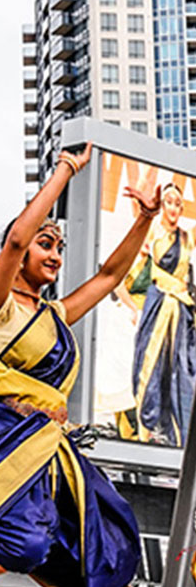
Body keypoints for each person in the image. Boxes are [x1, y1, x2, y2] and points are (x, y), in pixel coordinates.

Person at [0, 144, 160, 587]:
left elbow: (110, 276)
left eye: (59, 247)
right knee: (26, 545)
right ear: (15, 251)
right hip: (3, 439)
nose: (55, 254)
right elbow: (13, 243)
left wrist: (144, 220)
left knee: (107, 541)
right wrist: (66, 170)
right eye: (44, 243)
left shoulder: (56, 314)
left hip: (49, 446)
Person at [119, 183, 196, 446]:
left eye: (177, 203)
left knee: (180, 369)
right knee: (150, 366)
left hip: (182, 309)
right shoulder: (152, 232)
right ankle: (147, 430)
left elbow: (187, 274)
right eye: (168, 202)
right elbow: (130, 269)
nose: (173, 208)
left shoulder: (187, 238)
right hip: (158, 304)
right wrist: (132, 307)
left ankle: (178, 436)